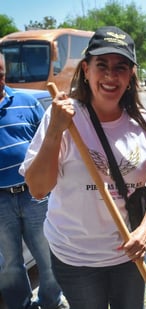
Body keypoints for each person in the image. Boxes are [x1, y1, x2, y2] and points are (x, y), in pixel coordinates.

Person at [19, 26, 146, 309]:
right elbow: (38, 189)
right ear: (86, 69)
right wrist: (55, 132)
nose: (111, 76)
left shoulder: (143, 121)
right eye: (102, 65)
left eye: (121, 67)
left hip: (130, 254)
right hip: (76, 258)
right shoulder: (61, 116)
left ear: (131, 75)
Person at [0, 53, 67, 309]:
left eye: (1, 74)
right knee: (9, 264)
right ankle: (21, 305)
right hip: (0, 200)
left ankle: (51, 301)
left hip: (34, 195)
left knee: (48, 255)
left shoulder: (27, 102)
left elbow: (49, 144)